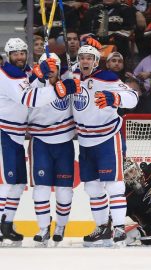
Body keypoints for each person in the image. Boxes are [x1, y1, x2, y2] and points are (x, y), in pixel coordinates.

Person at [0, 38, 78, 245]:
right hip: (6, 133)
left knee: (17, 184)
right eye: (15, 53)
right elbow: (29, 98)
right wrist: (57, 89)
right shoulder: (6, 74)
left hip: (20, 136)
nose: (19, 57)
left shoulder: (25, 74)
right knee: (6, 184)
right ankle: (20, 228)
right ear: (7, 55)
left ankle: (6, 225)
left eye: (22, 52)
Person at [72, 41, 138, 247]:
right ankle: (102, 228)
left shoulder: (106, 77)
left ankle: (118, 227)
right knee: (92, 187)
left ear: (96, 61)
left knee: (114, 184)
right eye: (82, 57)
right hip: (85, 140)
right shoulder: (72, 78)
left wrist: (114, 97)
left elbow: (133, 97)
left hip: (107, 137)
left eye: (89, 58)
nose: (85, 61)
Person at [28, 53, 80, 247]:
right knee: (41, 189)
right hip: (40, 142)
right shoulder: (33, 86)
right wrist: (38, 76)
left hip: (65, 143)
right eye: (47, 68)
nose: (50, 72)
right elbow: (26, 88)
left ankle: (61, 226)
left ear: (59, 68)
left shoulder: (68, 84)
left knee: (64, 191)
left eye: (54, 68)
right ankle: (43, 228)